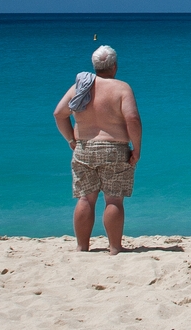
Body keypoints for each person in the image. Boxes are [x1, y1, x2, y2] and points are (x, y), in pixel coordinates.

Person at [53, 45, 142, 255]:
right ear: (114, 66)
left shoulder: (79, 87)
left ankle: (82, 247)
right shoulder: (121, 88)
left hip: (84, 147)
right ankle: (114, 247)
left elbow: (59, 114)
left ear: (95, 66)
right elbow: (132, 119)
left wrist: (70, 140)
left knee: (86, 198)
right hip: (114, 148)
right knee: (113, 199)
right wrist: (136, 149)